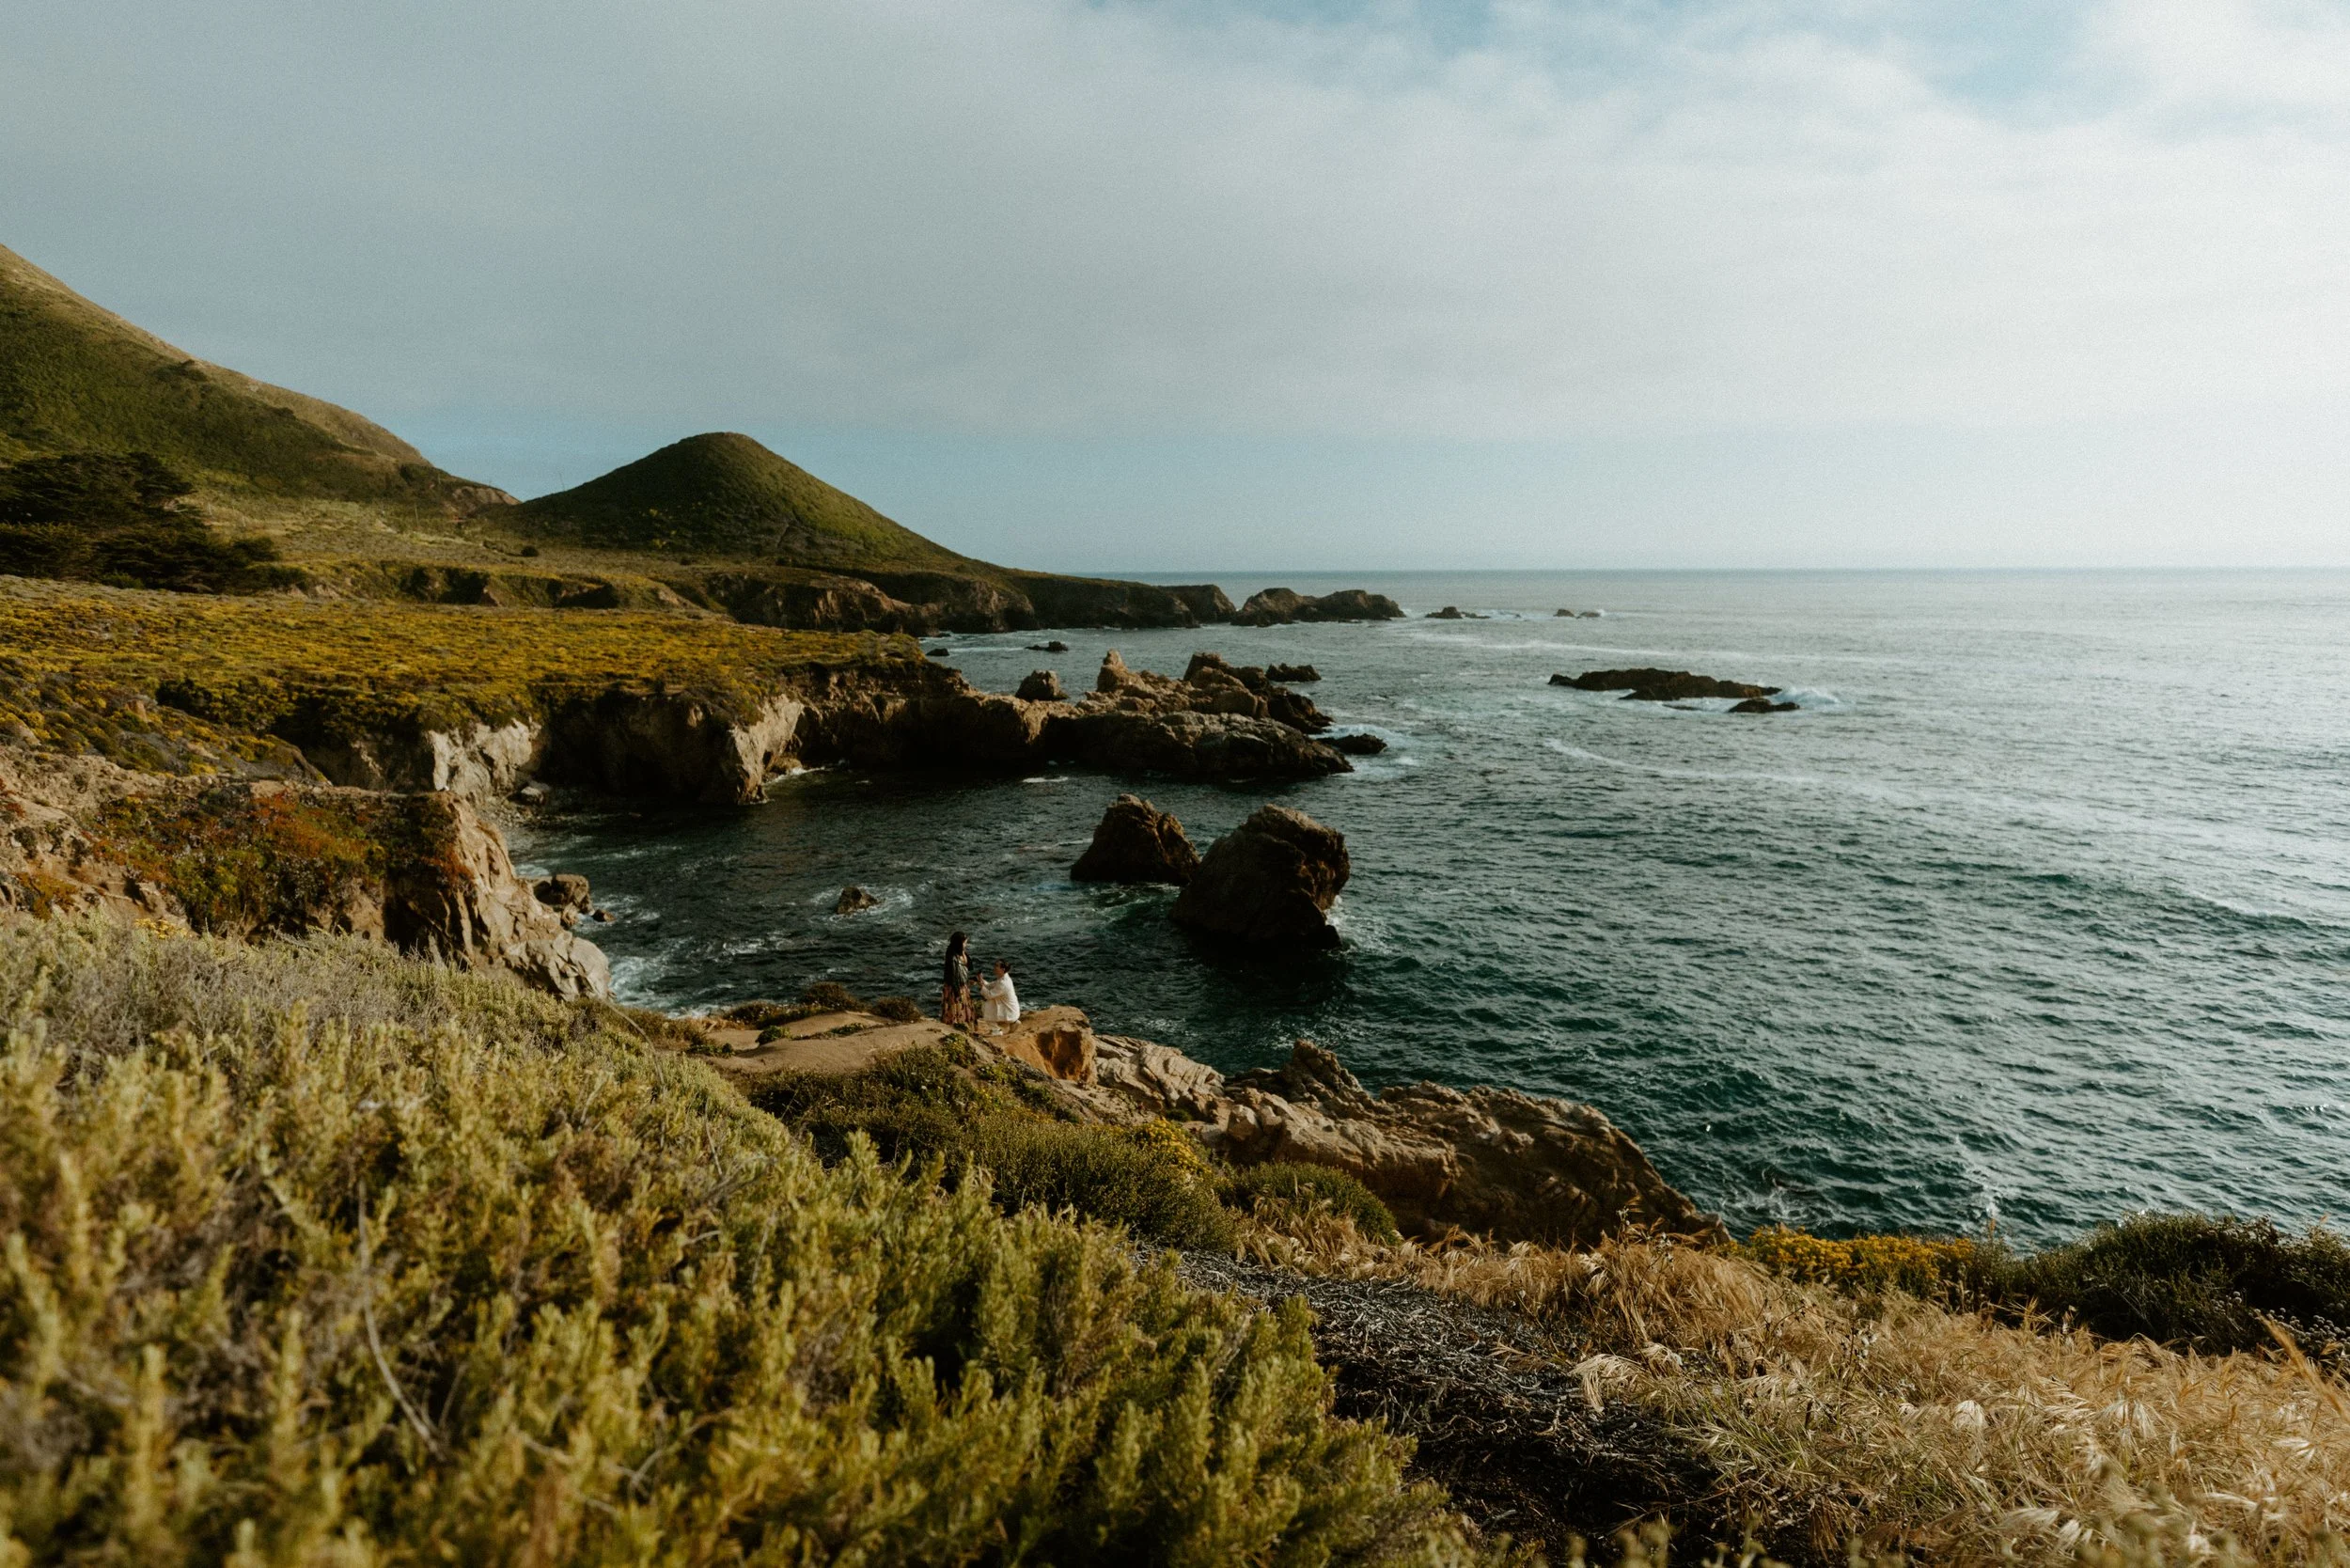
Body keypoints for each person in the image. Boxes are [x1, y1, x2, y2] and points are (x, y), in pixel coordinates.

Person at [940, 933, 972, 1026]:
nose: (966, 945)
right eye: (965, 943)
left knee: (960, 1007)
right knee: (955, 1006)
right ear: (959, 943)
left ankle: (960, 1024)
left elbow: (969, 966)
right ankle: (955, 1024)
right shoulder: (952, 956)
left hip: (961, 985)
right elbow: (953, 975)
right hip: (955, 986)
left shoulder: (959, 952)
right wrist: (957, 990)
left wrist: (963, 952)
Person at [979, 959, 1020, 1029]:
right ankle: (1013, 1023)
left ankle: (996, 1031)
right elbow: (990, 985)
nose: (994, 967)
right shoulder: (1004, 978)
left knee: (986, 1006)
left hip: (1010, 1012)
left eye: (996, 966)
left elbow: (989, 995)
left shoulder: (1003, 983)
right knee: (990, 1004)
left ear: (1003, 969)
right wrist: (980, 980)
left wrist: (981, 985)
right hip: (1011, 1010)